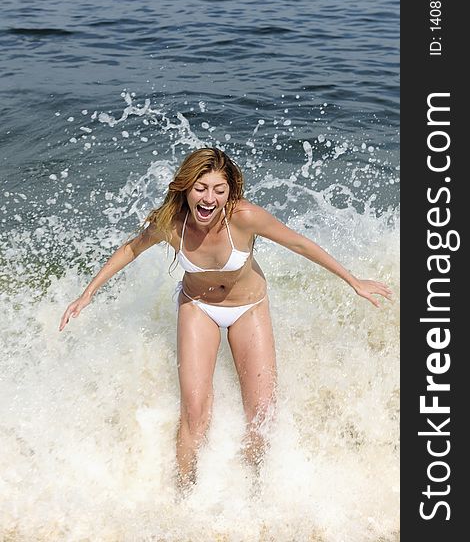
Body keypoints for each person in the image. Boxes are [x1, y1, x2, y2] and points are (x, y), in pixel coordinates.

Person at [59, 147, 391, 489]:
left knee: (262, 415)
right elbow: (132, 248)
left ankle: (253, 490)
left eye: (219, 190)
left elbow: (300, 245)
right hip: (198, 307)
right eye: (201, 188)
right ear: (185, 187)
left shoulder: (245, 218)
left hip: (248, 307)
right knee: (195, 415)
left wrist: (354, 281)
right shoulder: (171, 225)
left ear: (229, 192)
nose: (209, 199)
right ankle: (184, 495)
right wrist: (87, 294)